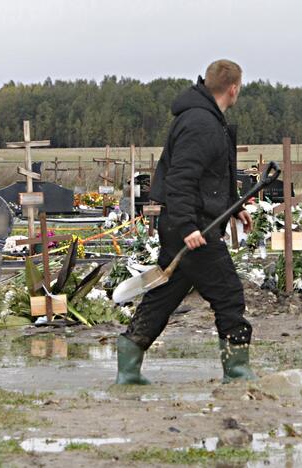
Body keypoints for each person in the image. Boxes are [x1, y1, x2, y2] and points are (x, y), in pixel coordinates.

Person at [116, 59, 255, 385]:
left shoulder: (204, 118)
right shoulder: (201, 124)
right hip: (195, 230)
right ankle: (237, 372)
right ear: (233, 88)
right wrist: (187, 226)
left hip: (190, 224)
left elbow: (210, 177)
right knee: (229, 294)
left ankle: (128, 368)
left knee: (163, 295)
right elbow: (180, 180)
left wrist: (234, 207)